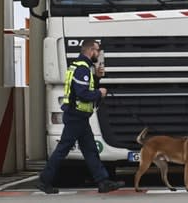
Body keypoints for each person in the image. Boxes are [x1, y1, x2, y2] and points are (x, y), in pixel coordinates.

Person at [38, 39, 125, 194]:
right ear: (90, 50)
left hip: (79, 117)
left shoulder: (80, 66)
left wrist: (97, 78)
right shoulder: (82, 69)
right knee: (63, 150)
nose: (98, 54)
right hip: (76, 117)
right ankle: (44, 181)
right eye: (97, 50)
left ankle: (103, 182)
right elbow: (83, 94)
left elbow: (83, 89)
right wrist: (100, 93)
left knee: (90, 150)